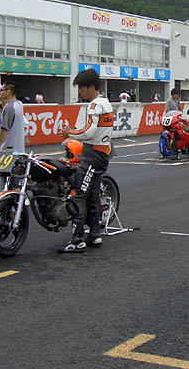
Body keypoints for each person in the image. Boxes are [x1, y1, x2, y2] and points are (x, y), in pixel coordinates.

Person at [58, 68, 114, 252]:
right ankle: (95, 234)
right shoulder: (106, 103)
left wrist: (70, 132)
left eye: (81, 89)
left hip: (92, 153)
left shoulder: (95, 105)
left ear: (90, 87)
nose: (80, 93)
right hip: (102, 152)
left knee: (78, 194)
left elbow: (89, 131)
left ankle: (77, 239)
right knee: (92, 193)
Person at [0, 81, 25, 155]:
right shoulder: (19, 104)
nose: (0, 92)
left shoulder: (9, 107)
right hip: (18, 148)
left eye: (2, 90)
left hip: (8, 148)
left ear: (8, 91)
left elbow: (4, 129)